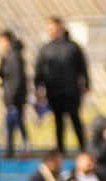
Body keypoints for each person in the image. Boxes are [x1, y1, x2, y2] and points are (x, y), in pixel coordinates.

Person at [34, 17, 89, 154]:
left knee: (75, 117)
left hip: (71, 90)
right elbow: (39, 70)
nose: (52, 31)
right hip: (54, 91)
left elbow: (83, 67)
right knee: (58, 121)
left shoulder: (72, 47)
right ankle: (61, 150)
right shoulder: (46, 49)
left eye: (54, 28)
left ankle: (84, 148)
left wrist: (86, 84)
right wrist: (38, 88)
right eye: (50, 28)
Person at [0, 31, 28, 158]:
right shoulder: (7, 56)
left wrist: (12, 96)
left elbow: (17, 78)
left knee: (16, 122)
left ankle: (24, 147)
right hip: (11, 96)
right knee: (10, 124)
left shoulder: (14, 56)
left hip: (15, 97)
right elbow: (1, 73)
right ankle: (10, 149)